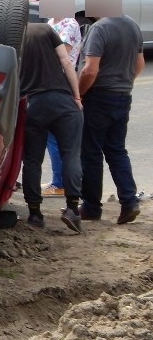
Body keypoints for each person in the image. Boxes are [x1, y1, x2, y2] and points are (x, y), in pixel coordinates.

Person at [78, 15, 145, 224]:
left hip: (98, 97)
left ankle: (91, 207)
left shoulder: (99, 28)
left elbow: (90, 69)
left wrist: (78, 94)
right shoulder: (132, 25)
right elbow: (139, 62)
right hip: (123, 95)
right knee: (117, 150)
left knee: (91, 152)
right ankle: (129, 201)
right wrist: (124, 83)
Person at [19, 22, 84, 233]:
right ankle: (73, 209)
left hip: (34, 104)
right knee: (71, 155)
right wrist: (76, 96)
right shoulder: (45, 30)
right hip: (62, 100)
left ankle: (35, 214)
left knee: (32, 161)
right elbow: (66, 62)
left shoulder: (13, 37)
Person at [41, 17, 83, 197]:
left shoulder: (69, 24)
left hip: (61, 82)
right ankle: (59, 180)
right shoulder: (50, 22)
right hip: (50, 81)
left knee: (55, 137)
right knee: (51, 136)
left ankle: (60, 183)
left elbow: (62, 56)